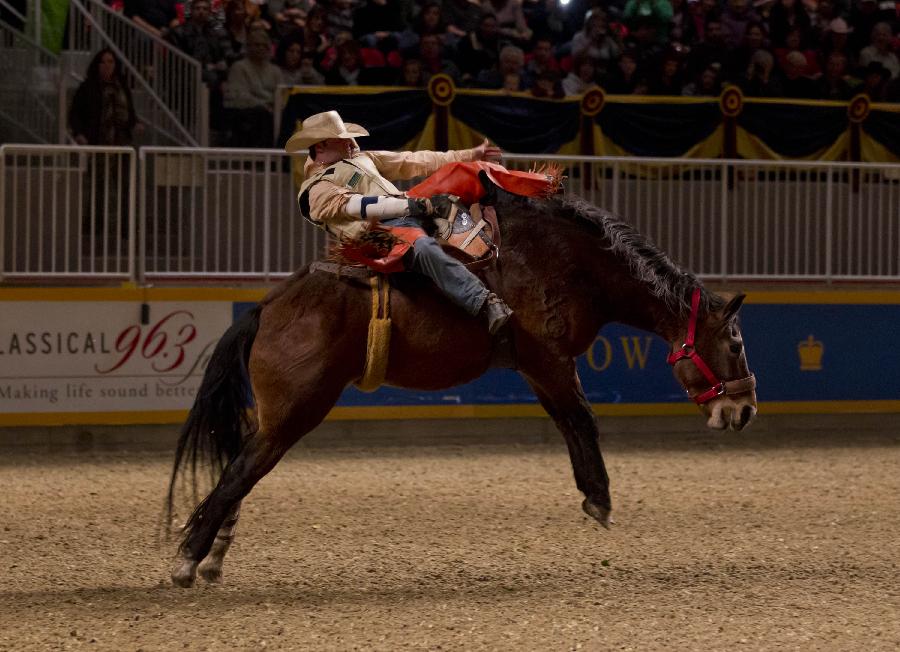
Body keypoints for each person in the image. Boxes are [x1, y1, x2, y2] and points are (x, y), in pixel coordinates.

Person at [287, 110, 514, 333]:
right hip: (377, 233)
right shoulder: (315, 190)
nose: (350, 142)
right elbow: (356, 206)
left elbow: (411, 161)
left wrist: (470, 155)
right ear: (321, 147)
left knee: (458, 178)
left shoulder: (361, 159)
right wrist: (412, 205)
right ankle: (483, 302)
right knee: (424, 248)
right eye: (342, 138)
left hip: (406, 210)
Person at [224, 28, 282, 146]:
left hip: (273, 111)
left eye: (263, 45)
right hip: (246, 112)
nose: (260, 48)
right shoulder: (239, 67)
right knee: (261, 115)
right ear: (248, 46)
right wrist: (263, 104)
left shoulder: (275, 71)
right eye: (256, 45)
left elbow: (282, 94)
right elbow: (239, 95)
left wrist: (273, 105)